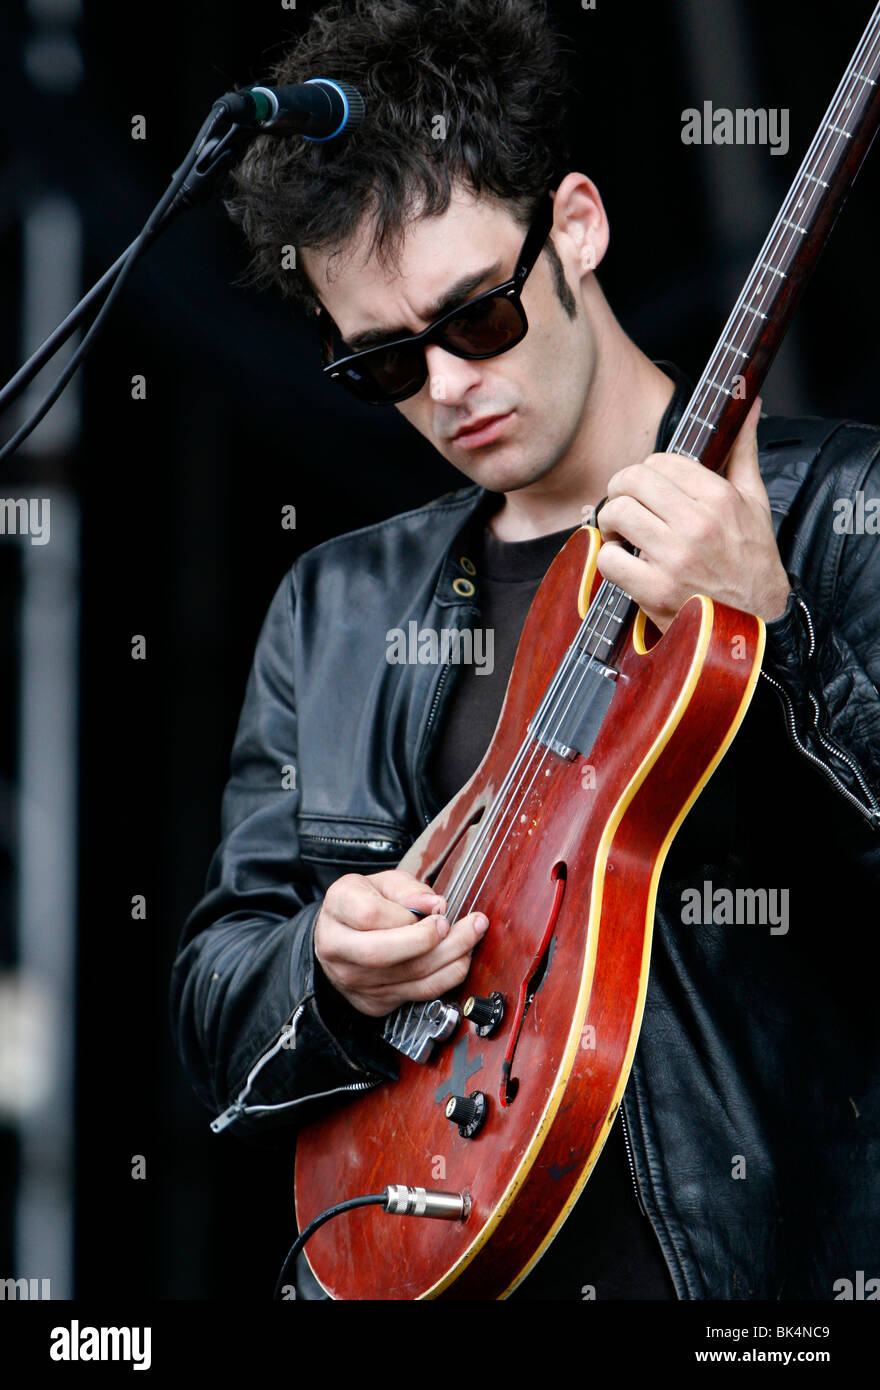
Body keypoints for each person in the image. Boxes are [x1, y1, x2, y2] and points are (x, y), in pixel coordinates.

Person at [170, 0, 880, 1300]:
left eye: (475, 319)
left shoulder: (842, 512)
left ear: (579, 226)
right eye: (385, 363)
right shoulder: (334, 606)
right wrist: (320, 961)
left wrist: (780, 638)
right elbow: (214, 1009)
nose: (446, 387)